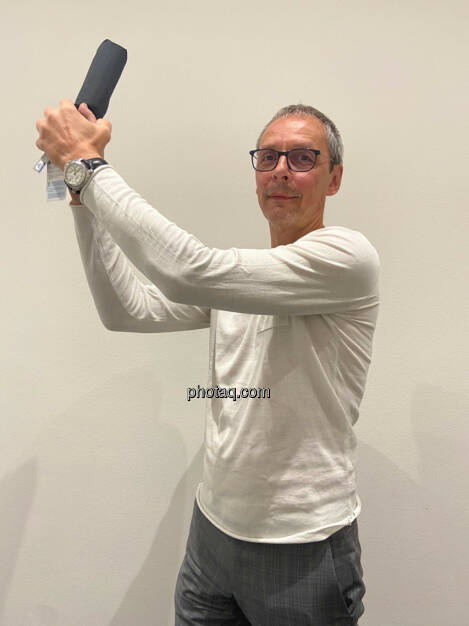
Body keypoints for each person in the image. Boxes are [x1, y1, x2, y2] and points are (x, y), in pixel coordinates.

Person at [35, 100, 380, 625]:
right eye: (268, 157)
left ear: (334, 179)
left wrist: (88, 163)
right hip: (212, 533)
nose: (281, 170)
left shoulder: (348, 258)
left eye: (303, 157)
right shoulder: (241, 280)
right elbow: (125, 310)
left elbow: (188, 271)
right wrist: (82, 195)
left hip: (302, 546)